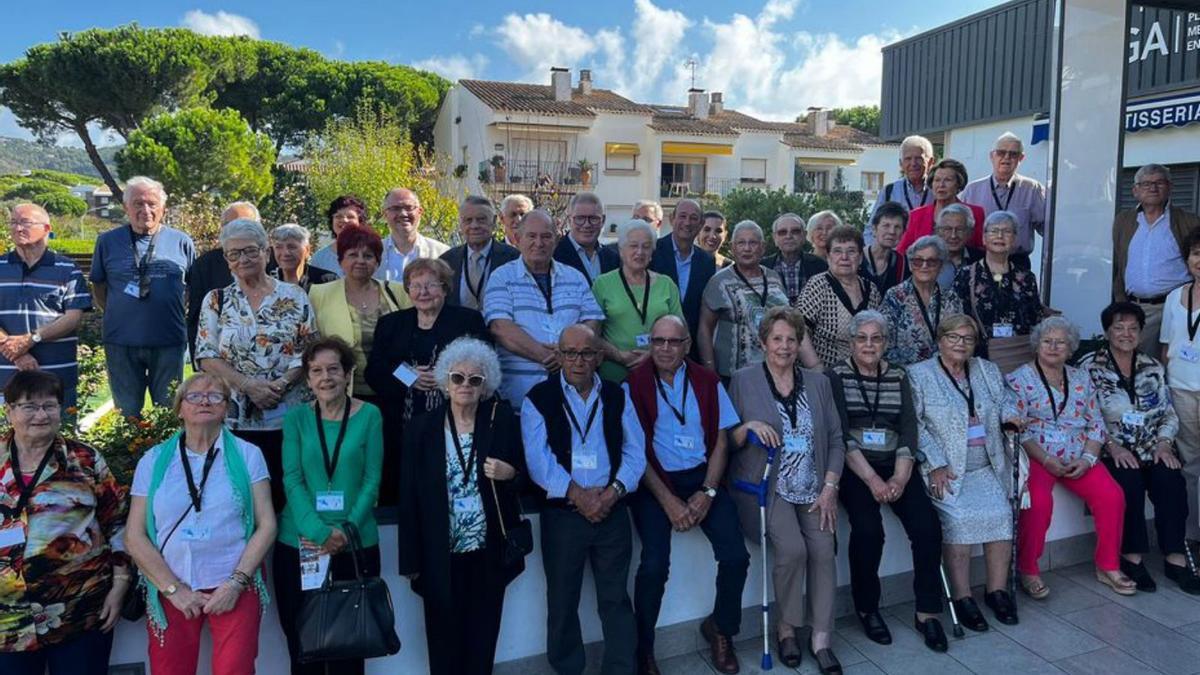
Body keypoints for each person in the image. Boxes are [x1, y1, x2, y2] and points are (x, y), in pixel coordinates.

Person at [126, 373, 276, 675]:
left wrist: (235, 583)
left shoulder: (249, 455)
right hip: (170, 584)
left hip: (234, 583)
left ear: (225, 408)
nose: (204, 401)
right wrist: (173, 590)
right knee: (169, 670)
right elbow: (134, 535)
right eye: (194, 396)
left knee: (235, 669)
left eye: (215, 396)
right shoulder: (153, 460)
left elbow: (267, 524)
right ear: (180, 408)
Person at [625, 315, 748, 674]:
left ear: (687, 345)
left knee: (736, 556)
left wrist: (708, 492)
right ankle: (643, 648)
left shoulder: (708, 381)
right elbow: (636, 453)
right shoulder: (632, 385)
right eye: (658, 341)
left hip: (701, 477)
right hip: (655, 483)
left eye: (673, 341)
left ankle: (721, 629)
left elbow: (722, 440)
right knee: (653, 566)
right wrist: (670, 502)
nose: (664, 348)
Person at [521, 324, 646, 675]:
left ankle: (621, 669)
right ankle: (567, 668)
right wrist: (579, 496)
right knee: (562, 600)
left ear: (600, 357)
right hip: (562, 516)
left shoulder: (618, 395)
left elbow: (635, 453)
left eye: (587, 353)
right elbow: (538, 461)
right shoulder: (538, 399)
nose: (578, 361)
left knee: (616, 599)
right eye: (570, 353)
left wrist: (612, 494)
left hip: (613, 510)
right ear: (559, 356)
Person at [399, 337, 525, 674]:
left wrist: (510, 473)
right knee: (443, 642)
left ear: (486, 386)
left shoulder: (501, 421)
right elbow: (408, 495)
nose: (465, 385)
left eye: (475, 380)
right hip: (439, 552)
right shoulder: (420, 429)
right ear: (444, 381)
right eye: (457, 377)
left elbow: (524, 476)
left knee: (483, 639)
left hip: (489, 550)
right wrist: (410, 558)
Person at [727, 308, 843, 673]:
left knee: (824, 549)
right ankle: (787, 628)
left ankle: (821, 636)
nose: (785, 346)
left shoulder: (819, 383)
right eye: (777, 339)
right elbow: (727, 440)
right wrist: (749, 425)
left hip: (813, 486)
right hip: (768, 486)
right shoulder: (743, 380)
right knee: (792, 550)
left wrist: (829, 487)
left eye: (792, 339)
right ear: (763, 343)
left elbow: (837, 440)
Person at [827, 311, 946, 651]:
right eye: (861, 338)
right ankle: (867, 608)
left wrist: (899, 475)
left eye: (876, 338)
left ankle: (927, 611)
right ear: (851, 342)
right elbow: (840, 432)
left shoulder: (898, 375)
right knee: (868, 530)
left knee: (927, 528)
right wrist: (873, 481)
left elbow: (909, 427)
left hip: (896, 464)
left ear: (886, 343)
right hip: (855, 469)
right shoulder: (836, 375)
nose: (868, 344)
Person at [0, 371, 129, 673]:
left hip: (80, 609)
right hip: (6, 620)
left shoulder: (85, 460)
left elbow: (118, 522)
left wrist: (120, 585)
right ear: (10, 412)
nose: (41, 415)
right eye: (29, 406)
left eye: (49, 405)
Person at [273, 337, 384, 675]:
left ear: (348, 373)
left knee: (351, 646)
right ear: (307, 379)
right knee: (303, 646)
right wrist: (320, 532)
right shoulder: (296, 420)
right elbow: (291, 479)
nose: (326, 378)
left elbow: (371, 480)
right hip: (300, 543)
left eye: (333, 369)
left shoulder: (371, 416)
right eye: (316, 371)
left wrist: (344, 530)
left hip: (355, 544)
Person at [1007, 317, 1135, 597]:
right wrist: (1046, 459)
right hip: (1040, 456)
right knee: (1038, 503)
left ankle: (1108, 565)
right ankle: (1027, 569)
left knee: (1112, 496)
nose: (1053, 347)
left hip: (1079, 455)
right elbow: (1018, 430)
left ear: (1071, 348)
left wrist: (1088, 458)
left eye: (1060, 342)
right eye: (1047, 341)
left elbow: (1096, 423)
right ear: (1036, 345)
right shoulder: (1018, 379)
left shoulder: (1080, 377)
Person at [907, 314, 1021, 631]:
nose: (961, 344)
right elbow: (914, 424)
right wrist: (935, 463)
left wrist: (1010, 416)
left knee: (1001, 513)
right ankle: (962, 596)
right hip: (946, 469)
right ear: (940, 340)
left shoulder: (986, 370)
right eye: (954, 337)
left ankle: (996, 591)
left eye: (968, 339)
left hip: (986, 464)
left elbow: (1007, 398)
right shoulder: (919, 375)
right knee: (960, 519)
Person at [195, 218, 317, 509]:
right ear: (226, 260)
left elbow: (309, 351)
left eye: (250, 251)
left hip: (289, 417)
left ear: (266, 251)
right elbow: (206, 355)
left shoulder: (294, 295)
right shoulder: (216, 300)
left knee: (290, 498)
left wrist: (279, 385)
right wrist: (249, 386)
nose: (243, 259)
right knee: (241, 500)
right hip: (236, 419)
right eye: (234, 254)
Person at [1080, 302, 1200, 594]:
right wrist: (1113, 446)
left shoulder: (1152, 366)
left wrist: (1163, 444)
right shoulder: (1088, 367)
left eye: (1133, 328)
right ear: (1107, 331)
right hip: (1111, 450)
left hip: (1151, 447)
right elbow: (1085, 415)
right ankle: (1131, 556)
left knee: (1171, 480)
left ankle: (1174, 556)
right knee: (1129, 484)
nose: (1126, 333)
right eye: (1119, 327)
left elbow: (1168, 412)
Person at [365, 257, 489, 506]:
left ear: (445, 288)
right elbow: (375, 370)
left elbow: (484, 364)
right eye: (415, 285)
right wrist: (410, 377)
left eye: (431, 285)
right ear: (407, 289)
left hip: (455, 420)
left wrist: (446, 378)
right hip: (402, 424)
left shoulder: (468, 321)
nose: (423, 292)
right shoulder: (391, 324)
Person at [90, 176, 195, 416]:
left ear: (163, 208)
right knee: (126, 414)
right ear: (126, 207)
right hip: (121, 342)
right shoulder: (107, 242)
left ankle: (169, 455)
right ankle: (131, 455)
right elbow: (99, 285)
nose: (145, 210)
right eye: (138, 203)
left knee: (170, 413)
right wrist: (120, 313)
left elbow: (189, 287)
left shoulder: (182, 242)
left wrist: (168, 309)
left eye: (152, 203)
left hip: (169, 340)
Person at [484, 210, 604, 407]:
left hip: (572, 398)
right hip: (519, 396)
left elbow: (592, 321)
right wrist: (552, 357)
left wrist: (568, 354)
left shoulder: (575, 277)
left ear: (556, 240)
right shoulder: (501, 277)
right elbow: (500, 327)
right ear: (517, 239)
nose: (539, 243)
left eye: (546, 236)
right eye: (531, 236)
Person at [0, 204, 92, 409]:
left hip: (57, 380)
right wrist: (17, 352)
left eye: (25, 222)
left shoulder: (67, 269)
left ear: (47, 229)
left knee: (63, 437)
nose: (17, 228)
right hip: (5, 378)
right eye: (13, 222)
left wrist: (32, 338)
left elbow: (73, 317)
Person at [308, 225, 411, 403]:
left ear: (377, 262)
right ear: (340, 261)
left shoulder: (399, 292)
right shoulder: (319, 294)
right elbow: (312, 347)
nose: (361, 261)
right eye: (353, 255)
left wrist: (410, 381)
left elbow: (412, 348)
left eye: (368, 256)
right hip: (342, 394)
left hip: (395, 393)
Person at [1114, 163, 1200, 356]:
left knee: (1175, 360)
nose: (1153, 188)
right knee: (1139, 366)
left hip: (1177, 307)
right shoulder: (1123, 221)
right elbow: (1119, 265)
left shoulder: (1188, 221)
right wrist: (1121, 303)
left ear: (1169, 187)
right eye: (1146, 184)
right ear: (1135, 190)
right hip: (1136, 307)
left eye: (1159, 182)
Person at [699, 221, 794, 379]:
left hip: (776, 372)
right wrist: (710, 370)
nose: (747, 248)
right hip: (732, 376)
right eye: (741, 243)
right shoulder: (719, 282)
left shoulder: (774, 277)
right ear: (732, 247)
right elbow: (704, 329)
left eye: (753, 243)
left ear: (762, 247)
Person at [593, 219, 683, 382]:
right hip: (614, 374)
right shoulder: (602, 284)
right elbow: (592, 334)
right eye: (633, 246)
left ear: (652, 252)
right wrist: (619, 356)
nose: (640, 252)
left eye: (646, 246)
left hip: (659, 373)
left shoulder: (666, 284)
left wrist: (653, 355)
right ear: (621, 250)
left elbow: (682, 332)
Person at [956, 210, 1045, 373]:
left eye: (1007, 231)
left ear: (1014, 239)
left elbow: (1035, 319)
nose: (1000, 236)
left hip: (1019, 357)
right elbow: (958, 319)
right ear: (984, 238)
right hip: (980, 359)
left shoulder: (1026, 277)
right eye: (994, 231)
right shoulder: (966, 274)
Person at [1159, 225, 1200, 561]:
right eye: (1196, 253)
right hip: (1180, 389)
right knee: (1189, 464)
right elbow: (1165, 347)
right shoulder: (1175, 296)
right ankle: (1192, 536)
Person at [797, 225, 883, 368]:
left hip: (864, 374)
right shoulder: (818, 286)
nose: (844, 257)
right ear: (829, 256)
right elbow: (799, 329)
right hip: (826, 375)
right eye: (837, 251)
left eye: (851, 251)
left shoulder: (871, 290)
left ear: (860, 257)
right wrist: (816, 367)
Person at [959, 132, 1047, 269]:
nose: (1006, 158)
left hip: (1018, 263)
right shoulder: (972, 190)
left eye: (1013, 154)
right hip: (980, 262)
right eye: (1001, 153)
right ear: (991, 156)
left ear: (1021, 158)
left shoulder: (1032, 189)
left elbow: (1049, 230)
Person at [185, 201, 262, 356]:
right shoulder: (205, 264)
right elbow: (195, 316)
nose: (235, 230)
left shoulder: (271, 259)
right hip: (222, 360)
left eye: (242, 224)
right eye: (228, 225)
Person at [650, 199, 718, 361]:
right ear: (672, 219)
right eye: (682, 216)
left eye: (694, 218)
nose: (687, 223)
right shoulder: (653, 251)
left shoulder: (706, 261)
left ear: (701, 224)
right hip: (657, 346)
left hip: (691, 348)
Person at [882, 235, 964, 366]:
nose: (924, 266)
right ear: (910, 265)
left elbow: (959, 338)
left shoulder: (951, 297)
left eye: (931, 261)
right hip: (906, 373)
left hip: (943, 373)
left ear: (941, 266)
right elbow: (884, 342)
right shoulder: (895, 296)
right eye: (918, 261)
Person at [441, 195, 520, 311]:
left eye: (481, 219)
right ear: (460, 224)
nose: (474, 226)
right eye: (468, 220)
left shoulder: (514, 259)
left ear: (494, 221)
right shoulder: (446, 261)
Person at [896, 159, 986, 255]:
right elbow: (902, 252)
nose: (941, 185)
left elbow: (981, 249)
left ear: (959, 183)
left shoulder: (975, 213)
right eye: (937, 180)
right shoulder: (917, 215)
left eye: (948, 180)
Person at [865, 135, 937, 247]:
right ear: (901, 163)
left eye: (919, 158)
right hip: (897, 258)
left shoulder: (938, 192)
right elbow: (871, 229)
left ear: (931, 162)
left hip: (928, 259)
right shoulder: (889, 191)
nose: (913, 163)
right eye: (908, 159)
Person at [378, 188, 450, 282]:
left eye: (409, 208)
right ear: (385, 214)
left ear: (420, 212)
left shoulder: (442, 253)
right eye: (395, 208)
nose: (403, 214)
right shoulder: (373, 253)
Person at [554, 192, 619, 285]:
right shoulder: (554, 255)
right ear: (569, 220)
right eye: (580, 218)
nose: (587, 224)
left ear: (603, 220)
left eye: (593, 218)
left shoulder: (613, 258)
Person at [762, 213, 827, 303]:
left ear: (804, 236)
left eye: (795, 231)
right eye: (782, 232)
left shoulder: (820, 265)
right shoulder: (762, 267)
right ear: (775, 238)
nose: (788, 236)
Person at [309, 194, 368, 276]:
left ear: (360, 222)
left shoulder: (372, 254)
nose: (344, 220)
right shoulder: (319, 258)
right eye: (338, 216)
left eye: (350, 217)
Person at [269, 224, 337, 291]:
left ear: (307, 250)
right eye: (278, 247)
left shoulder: (326, 282)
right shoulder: (269, 284)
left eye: (292, 247)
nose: (285, 253)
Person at [860, 202, 909, 295]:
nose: (892, 231)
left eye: (897, 227)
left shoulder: (902, 264)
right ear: (874, 229)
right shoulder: (856, 259)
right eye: (886, 226)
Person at [933, 204, 981, 291]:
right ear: (937, 231)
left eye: (960, 229)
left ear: (970, 233)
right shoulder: (926, 259)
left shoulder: (981, 259)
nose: (953, 235)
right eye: (947, 229)